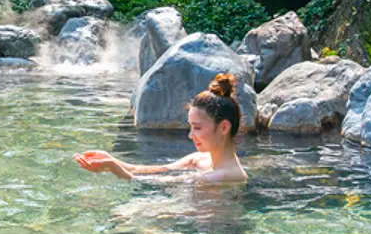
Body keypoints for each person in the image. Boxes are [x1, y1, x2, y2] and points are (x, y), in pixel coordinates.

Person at [74, 73, 248, 184]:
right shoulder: (199, 159)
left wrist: (112, 167)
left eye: (197, 128)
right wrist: (111, 160)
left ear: (224, 127)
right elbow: (152, 172)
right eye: (191, 127)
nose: (190, 135)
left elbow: (150, 182)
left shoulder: (227, 175)